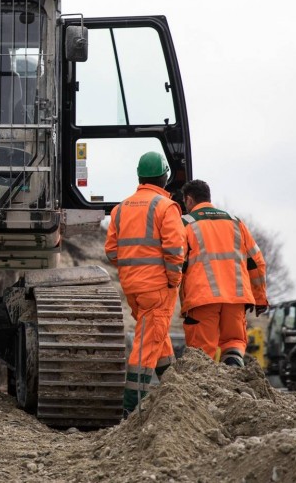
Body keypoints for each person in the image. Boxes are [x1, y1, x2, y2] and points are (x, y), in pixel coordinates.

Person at [105, 151, 185, 417]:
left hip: (132, 288)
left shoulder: (121, 208)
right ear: (164, 177)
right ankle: (129, 406)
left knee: (156, 338)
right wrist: (173, 281)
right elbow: (175, 249)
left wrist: (133, 269)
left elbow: (112, 251)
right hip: (158, 288)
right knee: (146, 345)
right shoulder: (166, 207)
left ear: (140, 176)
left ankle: (178, 391)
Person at [179, 179, 269, 366]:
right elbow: (257, 262)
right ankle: (232, 385)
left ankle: (203, 392)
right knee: (234, 343)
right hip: (236, 299)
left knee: (202, 354)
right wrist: (259, 298)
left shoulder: (185, 224)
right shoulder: (236, 223)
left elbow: (177, 262)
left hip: (202, 299)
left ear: (188, 200)